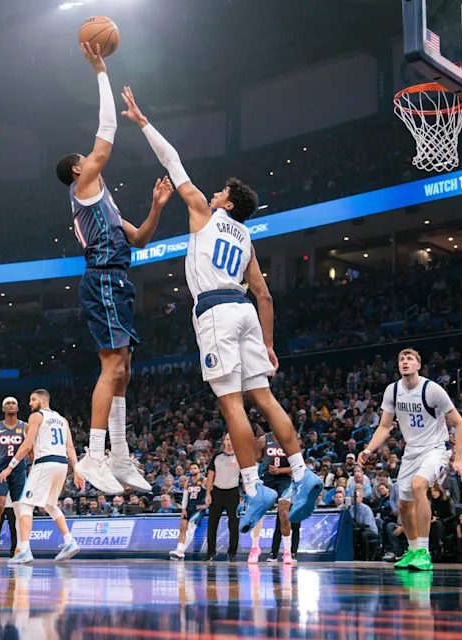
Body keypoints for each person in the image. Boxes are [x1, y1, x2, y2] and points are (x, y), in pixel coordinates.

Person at [118, 86, 321, 534]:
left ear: (227, 203)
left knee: (231, 405)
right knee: (264, 398)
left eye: (221, 191)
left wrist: (143, 122)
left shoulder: (204, 215)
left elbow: (173, 162)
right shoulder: (247, 238)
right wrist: (268, 344)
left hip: (215, 313)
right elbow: (265, 296)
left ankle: (254, 488)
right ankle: (304, 473)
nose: (211, 192)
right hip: (247, 312)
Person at [54, 42, 172, 496]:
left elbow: (139, 238)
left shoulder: (104, 201)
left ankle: (120, 455)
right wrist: (101, 72)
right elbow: (107, 131)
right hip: (102, 278)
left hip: (117, 279)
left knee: (123, 368)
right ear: (78, 169)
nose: (93, 157)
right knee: (110, 367)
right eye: (87, 157)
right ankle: (95, 453)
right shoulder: (84, 186)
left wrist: (157, 207)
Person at [359, 348, 462, 572]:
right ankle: (411, 550)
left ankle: (424, 552)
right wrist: (369, 449)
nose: (405, 362)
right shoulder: (393, 390)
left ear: (418, 365)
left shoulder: (432, 390)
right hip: (411, 451)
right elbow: (385, 426)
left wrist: (458, 458)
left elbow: (460, 424)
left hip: (435, 448)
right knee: (403, 504)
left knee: (419, 486)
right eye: (401, 359)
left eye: (410, 359)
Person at [0, 389, 85, 564]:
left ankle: (24, 550)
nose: (30, 403)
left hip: (45, 463)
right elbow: (70, 448)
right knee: (50, 504)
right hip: (61, 465)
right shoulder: (62, 420)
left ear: (43, 400)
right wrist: (76, 471)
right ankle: (69, 541)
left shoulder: (36, 416)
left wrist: (9, 467)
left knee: (25, 505)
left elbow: (26, 445)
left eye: (33, 399)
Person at [0, 397, 26, 563]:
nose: (11, 405)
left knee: (19, 510)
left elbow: (29, 449)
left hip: (19, 471)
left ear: (17, 408)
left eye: (14, 403)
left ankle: (20, 548)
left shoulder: (25, 427)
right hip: (1, 471)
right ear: (3, 409)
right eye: (8, 404)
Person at [247, 437, 297, 565]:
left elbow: (297, 467)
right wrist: (252, 481)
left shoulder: (290, 439)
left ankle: (287, 552)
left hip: (284, 479)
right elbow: (256, 462)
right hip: (267, 478)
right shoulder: (263, 440)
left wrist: (279, 470)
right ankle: (255, 547)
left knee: (284, 513)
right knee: (258, 511)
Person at [204, 433, 243, 561]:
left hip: (232, 493)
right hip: (217, 492)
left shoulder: (240, 457)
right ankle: (210, 552)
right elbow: (210, 475)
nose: (229, 442)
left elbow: (245, 476)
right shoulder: (217, 456)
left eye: (232, 439)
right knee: (212, 524)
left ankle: (232, 552)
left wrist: (244, 495)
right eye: (227, 439)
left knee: (233, 524)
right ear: (223, 441)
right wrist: (208, 493)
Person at [170, 462, 207, 560]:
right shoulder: (187, 482)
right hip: (189, 507)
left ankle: (181, 551)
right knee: (182, 528)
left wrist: (206, 505)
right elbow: (185, 497)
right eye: (191, 469)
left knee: (190, 527)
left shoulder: (204, 481)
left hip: (199, 508)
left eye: (195, 468)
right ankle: (179, 549)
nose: (193, 470)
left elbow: (211, 493)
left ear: (199, 469)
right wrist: (183, 509)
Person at [349, 486, 379, 560]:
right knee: (350, 534)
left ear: (361, 498)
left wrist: (356, 525)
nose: (354, 498)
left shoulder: (366, 509)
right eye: (353, 497)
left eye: (356, 496)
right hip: (357, 529)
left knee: (363, 534)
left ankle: (365, 557)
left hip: (371, 531)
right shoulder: (351, 509)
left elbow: (367, 525)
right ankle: (352, 555)